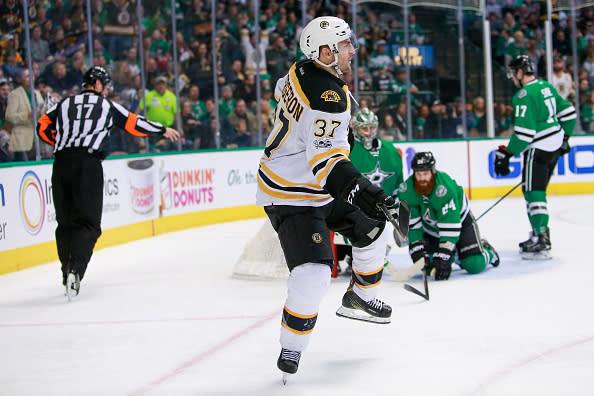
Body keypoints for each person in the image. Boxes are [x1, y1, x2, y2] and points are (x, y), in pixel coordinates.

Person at [256, 16, 404, 379]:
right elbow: (326, 163)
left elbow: (280, 92)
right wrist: (366, 191)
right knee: (314, 274)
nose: (351, 50)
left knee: (374, 229)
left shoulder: (300, 69)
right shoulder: (329, 98)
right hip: (291, 193)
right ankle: (292, 346)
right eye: (344, 45)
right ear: (324, 52)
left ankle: (361, 297)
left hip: (311, 183)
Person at [36, 66, 180, 300]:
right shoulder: (106, 105)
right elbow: (134, 123)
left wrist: (60, 142)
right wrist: (162, 129)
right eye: (105, 84)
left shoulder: (63, 104)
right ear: (98, 84)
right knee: (89, 223)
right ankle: (75, 271)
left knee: (65, 223)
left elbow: (41, 126)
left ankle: (66, 274)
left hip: (61, 163)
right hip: (87, 164)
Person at [493, 55, 576, 259]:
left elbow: (524, 134)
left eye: (514, 73)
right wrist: (565, 138)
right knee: (537, 190)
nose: (513, 77)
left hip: (538, 148)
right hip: (554, 146)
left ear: (521, 72)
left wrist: (506, 153)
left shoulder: (523, 95)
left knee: (533, 191)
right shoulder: (545, 86)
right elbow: (569, 113)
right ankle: (539, 234)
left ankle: (541, 237)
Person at [397, 152, 500, 281]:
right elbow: (413, 225)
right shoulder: (407, 191)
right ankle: (457, 254)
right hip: (430, 228)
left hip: (460, 224)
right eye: (418, 174)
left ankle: (488, 252)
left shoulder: (444, 189)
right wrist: (416, 248)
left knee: (473, 264)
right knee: (430, 268)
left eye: (425, 174)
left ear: (433, 171)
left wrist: (445, 255)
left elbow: (450, 225)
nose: (422, 178)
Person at [5, 68, 44, 161]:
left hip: (38, 136)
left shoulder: (37, 93)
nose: (30, 78)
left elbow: (42, 111)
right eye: (27, 76)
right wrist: (27, 115)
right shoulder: (15, 94)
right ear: (20, 80)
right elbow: (9, 116)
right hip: (22, 138)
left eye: (31, 76)